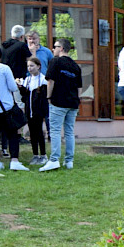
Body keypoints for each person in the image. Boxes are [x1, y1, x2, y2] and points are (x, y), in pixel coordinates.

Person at [39, 39, 82, 171]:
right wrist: (77, 101)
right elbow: (79, 88)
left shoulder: (55, 61)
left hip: (58, 101)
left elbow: (50, 81)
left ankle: (54, 159)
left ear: (61, 48)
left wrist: (48, 97)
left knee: (55, 131)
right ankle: (69, 161)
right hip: (72, 103)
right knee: (69, 132)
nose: (53, 49)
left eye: (55, 46)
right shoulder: (75, 66)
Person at [23, 57, 49, 165]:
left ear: (38, 66)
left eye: (32, 66)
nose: (30, 68)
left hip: (38, 110)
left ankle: (43, 154)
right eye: (28, 66)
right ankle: (35, 154)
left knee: (39, 132)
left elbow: (44, 96)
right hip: (29, 110)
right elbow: (24, 96)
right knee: (32, 133)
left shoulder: (43, 79)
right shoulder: (27, 80)